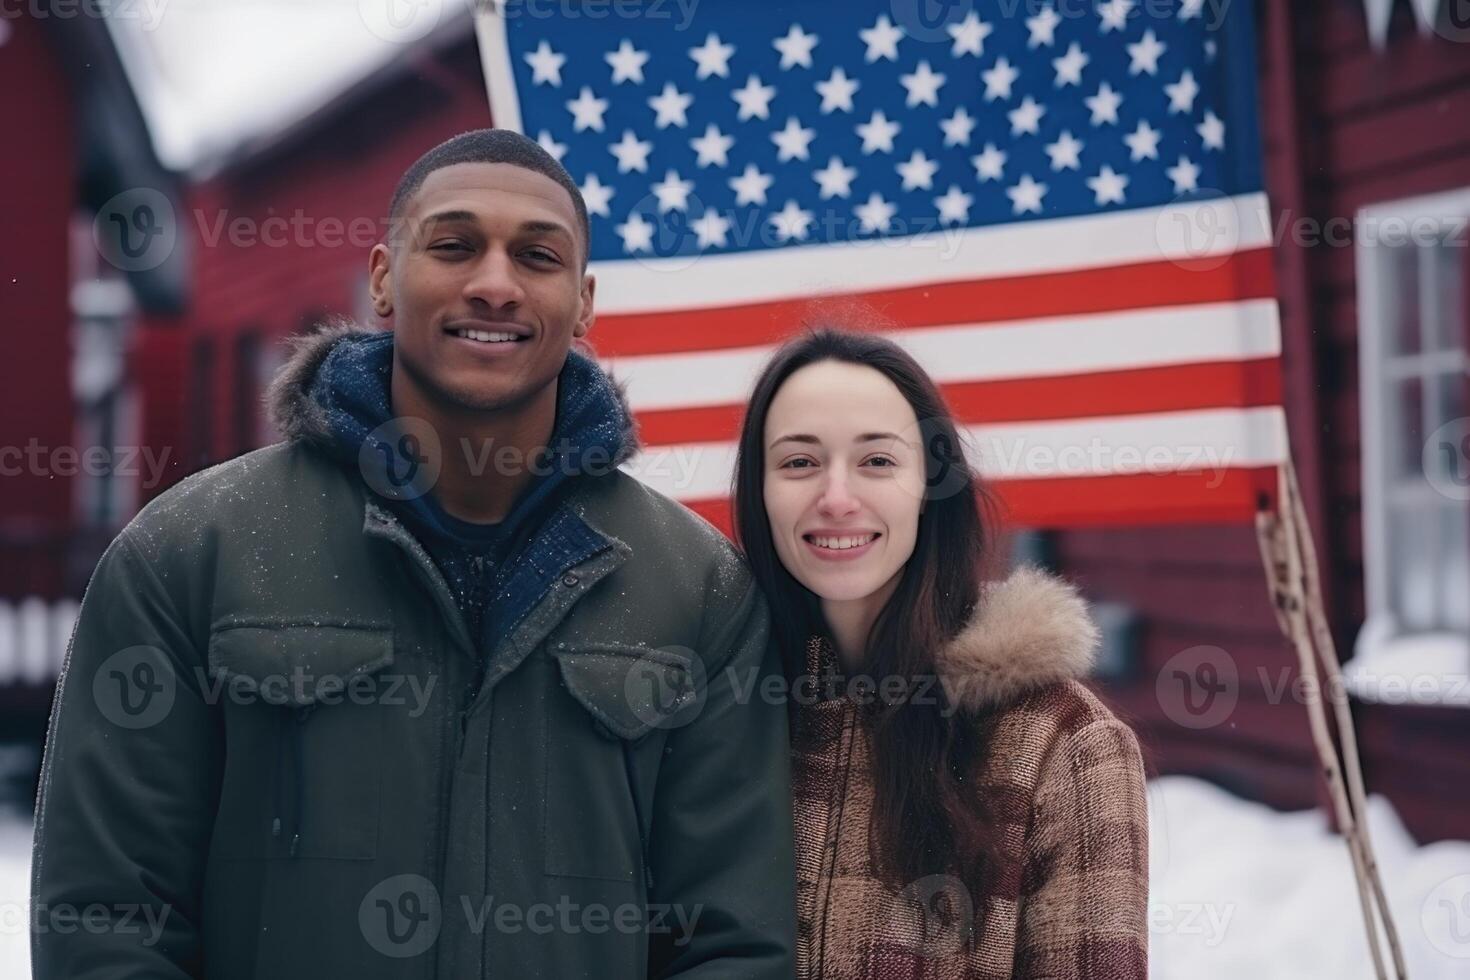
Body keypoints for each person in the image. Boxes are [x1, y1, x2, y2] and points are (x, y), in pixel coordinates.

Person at [31, 129, 796, 979]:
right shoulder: (189, 553)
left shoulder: (699, 589)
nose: (495, 284)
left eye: (536, 257)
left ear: (582, 303)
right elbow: (107, 916)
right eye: (455, 245)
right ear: (385, 278)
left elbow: (732, 943)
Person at [731, 325, 1149, 980]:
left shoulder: (1062, 743)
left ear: (931, 487)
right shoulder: (712, 714)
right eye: (799, 462)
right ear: (759, 492)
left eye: (877, 461)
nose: (836, 498)